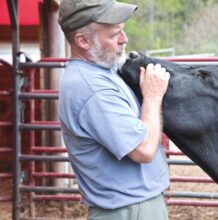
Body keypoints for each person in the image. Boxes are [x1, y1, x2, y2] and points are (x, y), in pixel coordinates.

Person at [57, 0, 170, 219]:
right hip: (130, 211)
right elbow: (144, 150)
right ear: (83, 41)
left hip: (131, 207)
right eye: (113, 35)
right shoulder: (92, 88)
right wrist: (153, 97)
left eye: (123, 31)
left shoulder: (102, 71)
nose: (124, 40)